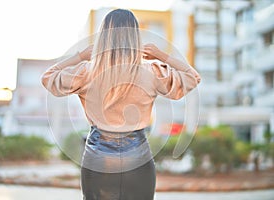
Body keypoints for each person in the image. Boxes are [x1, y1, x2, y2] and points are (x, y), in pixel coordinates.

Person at [41, 9, 200, 200]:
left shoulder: (87, 72)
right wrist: (161, 55)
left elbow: (48, 77)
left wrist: (80, 56)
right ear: (135, 36)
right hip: (138, 156)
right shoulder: (151, 71)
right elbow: (192, 77)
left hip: (98, 156)